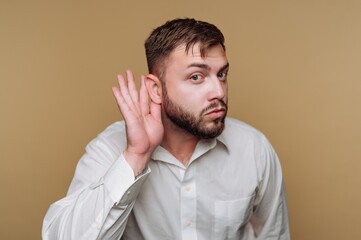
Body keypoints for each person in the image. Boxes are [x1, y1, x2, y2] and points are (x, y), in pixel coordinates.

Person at [42, 18, 290, 240]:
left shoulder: (253, 148)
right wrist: (135, 156)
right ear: (156, 89)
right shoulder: (109, 148)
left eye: (222, 74)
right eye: (196, 77)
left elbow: (273, 235)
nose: (219, 92)